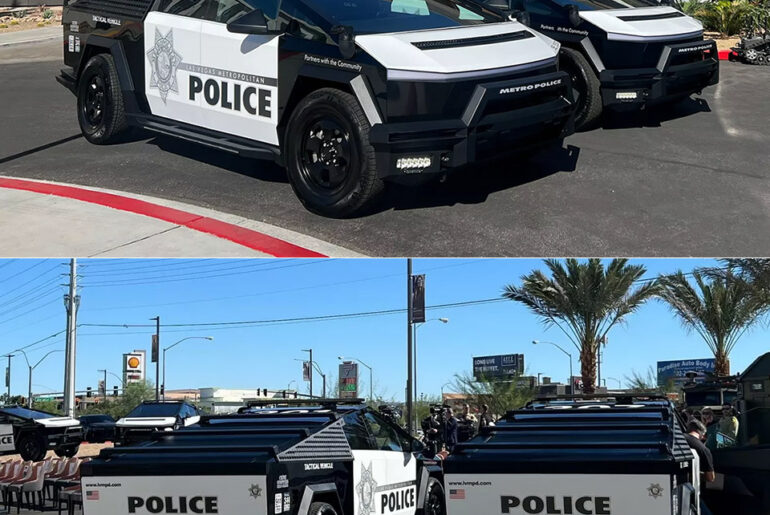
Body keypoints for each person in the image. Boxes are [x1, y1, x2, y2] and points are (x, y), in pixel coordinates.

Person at [685, 419, 715, 515]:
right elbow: (710, 478)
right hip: (691, 490)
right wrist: (696, 473)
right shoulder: (703, 449)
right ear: (701, 433)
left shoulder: (677, 439)